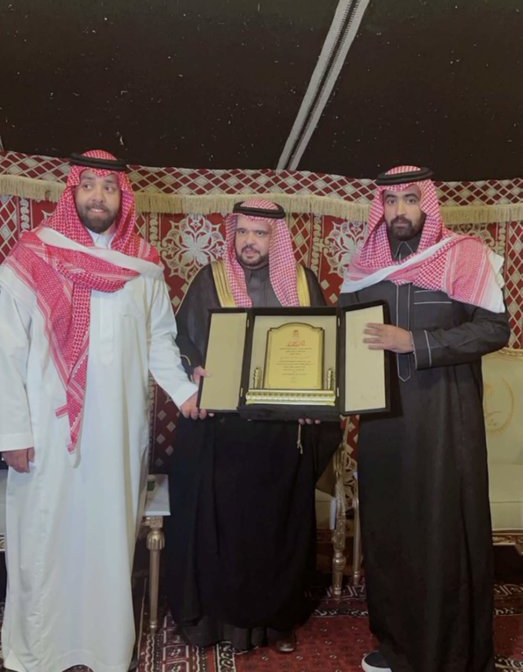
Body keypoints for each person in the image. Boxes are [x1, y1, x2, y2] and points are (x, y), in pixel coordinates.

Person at [0, 150, 204, 672]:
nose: (98, 196)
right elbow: (5, 348)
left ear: (122, 197)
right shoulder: (33, 256)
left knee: (108, 540)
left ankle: (105, 650)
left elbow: (160, 341)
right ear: (72, 191)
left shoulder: (144, 266)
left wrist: (186, 393)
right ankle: (39, 652)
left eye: (108, 187)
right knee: (46, 536)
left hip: (116, 432)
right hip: (48, 432)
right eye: (88, 185)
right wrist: (12, 431)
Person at [339, 165, 511, 672]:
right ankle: (398, 648)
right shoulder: (364, 268)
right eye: (391, 201)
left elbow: (494, 330)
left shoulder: (466, 256)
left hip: (445, 424)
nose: (399, 211)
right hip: (384, 423)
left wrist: (415, 342)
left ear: (427, 205)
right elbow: (344, 339)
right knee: (389, 533)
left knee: (442, 533)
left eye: (410, 200)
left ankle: (451, 655)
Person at [165, 198, 340, 653]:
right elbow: (181, 339)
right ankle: (218, 624)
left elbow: (324, 351)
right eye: (242, 232)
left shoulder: (303, 283)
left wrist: (315, 403)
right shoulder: (211, 279)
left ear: (276, 239)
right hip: (224, 433)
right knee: (223, 531)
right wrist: (194, 368)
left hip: (281, 434)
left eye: (259, 234)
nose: (249, 241)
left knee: (275, 529)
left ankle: (275, 624)